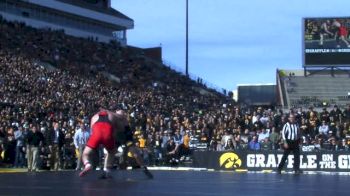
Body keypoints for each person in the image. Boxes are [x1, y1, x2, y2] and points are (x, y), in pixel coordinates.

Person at [79, 109, 153, 179]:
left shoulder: (120, 119)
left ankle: (143, 168)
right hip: (117, 135)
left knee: (132, 152)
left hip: (122, 135)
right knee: (111, 152)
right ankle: (106, 172)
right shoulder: (118, 118)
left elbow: (122, 129)